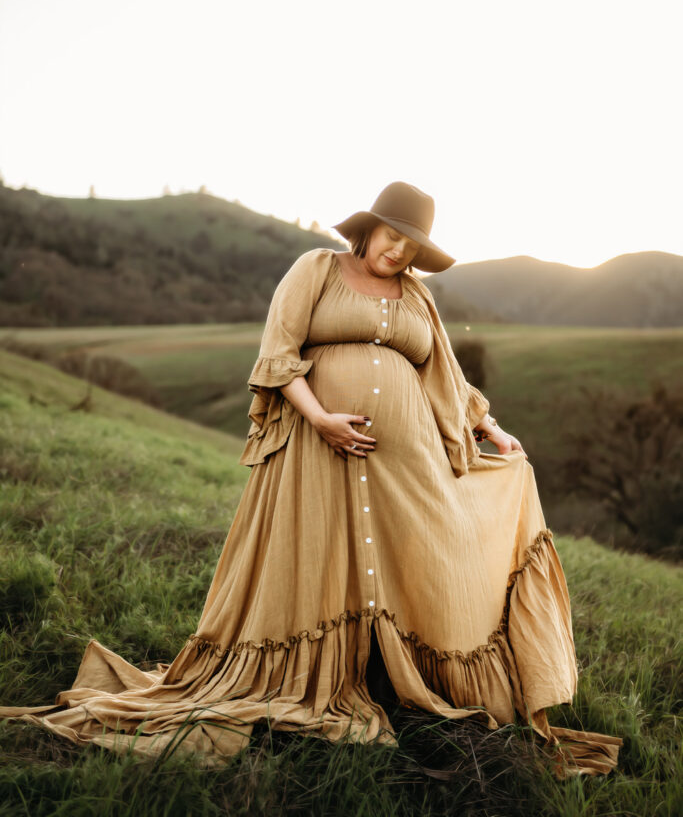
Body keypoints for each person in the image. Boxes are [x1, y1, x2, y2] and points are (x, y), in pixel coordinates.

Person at [0, 182, 622, 776]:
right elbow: (279, 352)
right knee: (320, 560)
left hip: (405, 464)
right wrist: (321, 417)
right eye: (391, 235)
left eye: (412, 246)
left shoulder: (417, 296)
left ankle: (400, 682)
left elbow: (447, 378)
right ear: (368, 228)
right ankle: (317, 679)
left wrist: (491, 430)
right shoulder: (316, 269)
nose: (399, 250)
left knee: (430, 563)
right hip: (316, 450)